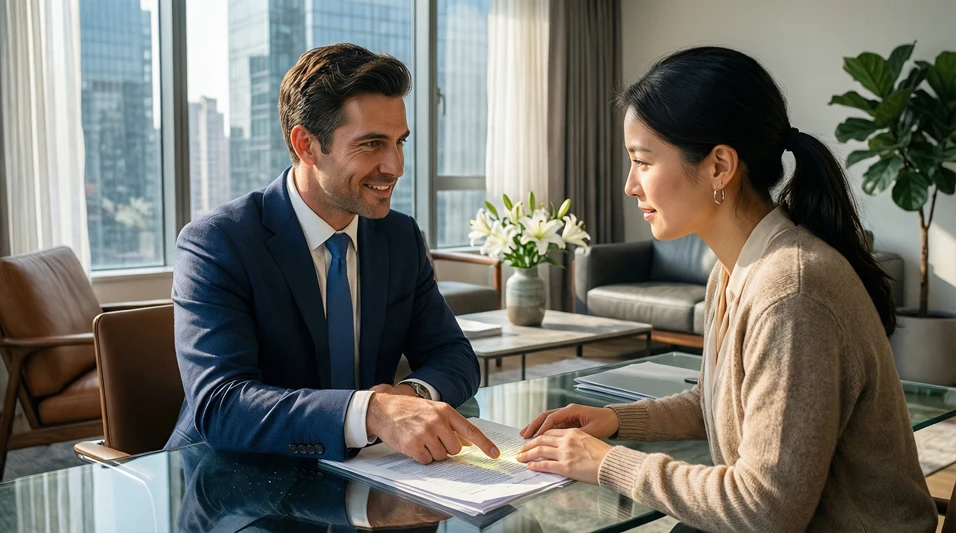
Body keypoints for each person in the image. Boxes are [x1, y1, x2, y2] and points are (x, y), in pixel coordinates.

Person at [516, 46, 937, 532]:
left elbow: (766, 509)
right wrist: (613, 420)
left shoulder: (792, 292)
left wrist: (609, 463)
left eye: (643, 162)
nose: (630, 185)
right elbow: (715, 404)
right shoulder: (736, 267)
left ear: (719, 166)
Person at [165, 43, 499, 466]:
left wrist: (405, 397)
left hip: (365, 473)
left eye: (400, 142)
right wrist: (370, 412)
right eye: (372, 143)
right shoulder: (217, 242)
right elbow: (222, 405)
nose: (395, 166)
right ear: (306, 145)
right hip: (232, 484)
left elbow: (455, 356)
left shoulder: (399, 236)